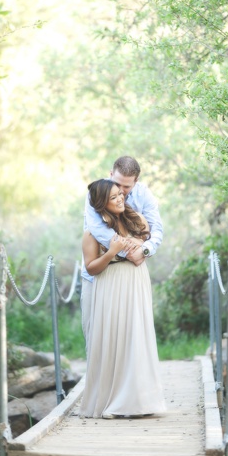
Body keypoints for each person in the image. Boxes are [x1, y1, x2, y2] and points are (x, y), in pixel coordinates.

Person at [78, 179, 167, 419]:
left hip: (136, 282)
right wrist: (111, 252)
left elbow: (147, 242)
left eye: (121, 194)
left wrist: (139, 246)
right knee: (114, 338)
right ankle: (111, 400)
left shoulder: (136, 220)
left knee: (137, 336)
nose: (120, 199)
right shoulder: (92, 233)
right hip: (110, 285)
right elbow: (92, 268)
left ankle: (140, 401)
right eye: (113, 197)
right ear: (100, 204)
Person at [80, 156, 164, 355]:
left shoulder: (145, 196)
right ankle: (101, 382)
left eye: (126, 187)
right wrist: (129, 249)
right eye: (117, 183)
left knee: (132, 334)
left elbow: (155, 230)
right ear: (110, 174)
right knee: (95, 333)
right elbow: (98, 230)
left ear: (136, 182)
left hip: (130, 276)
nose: (121, 192)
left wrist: (144, 249)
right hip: (98, 275)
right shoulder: (98, 192)